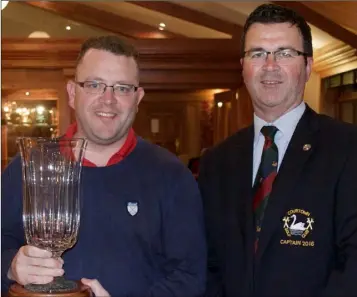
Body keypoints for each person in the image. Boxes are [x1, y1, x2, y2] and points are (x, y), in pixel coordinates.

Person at [1, 35, 206, 297]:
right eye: (95, 84)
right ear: (73, 93)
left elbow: (190, 277)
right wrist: (9, 267)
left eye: (122, 88)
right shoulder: (28, 167)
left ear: (138, 97)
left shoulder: (172, 175)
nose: (108, 99)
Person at [199, 4, 357, 297]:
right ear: (243, 67)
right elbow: (208, 264)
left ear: (308, 66)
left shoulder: (347, 149)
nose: (269, 65)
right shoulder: (217, 162)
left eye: (285, 53)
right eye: (257, 54)